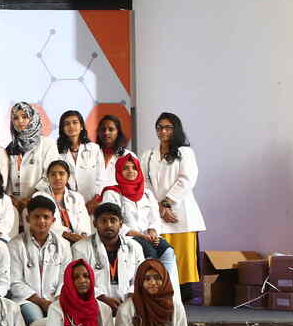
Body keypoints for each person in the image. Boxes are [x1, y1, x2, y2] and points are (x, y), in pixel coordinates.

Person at [141, 112, 205, 301]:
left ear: (175, 129)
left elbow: (186, 179)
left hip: (181, 215)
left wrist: (166, 203)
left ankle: (183, 298)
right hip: (156, 215)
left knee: (183, 260)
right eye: (160, 127)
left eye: (168, 127)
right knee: (160, 258)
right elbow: (144, 183)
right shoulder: (148, 155)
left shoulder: (185, 153)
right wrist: (159, 208)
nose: (163, 131)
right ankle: (161, 295)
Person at [96, 153, 180, 281]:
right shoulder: (112, 193)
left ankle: (166, 287)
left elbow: (155, 217)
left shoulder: (147, 193)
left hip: (149, 236)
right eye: (126, 168)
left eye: (134, 167)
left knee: (168, 251)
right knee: (149, 253)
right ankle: (151, 289)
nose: (131, 171)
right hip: (126, 237)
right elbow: (111, 222)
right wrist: (141, 235)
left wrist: (153, 231)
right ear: (119, 171)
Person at [9, 195, 73, 325]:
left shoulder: (63, 245)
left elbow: (65, 279)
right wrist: (42, 302)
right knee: (36, 321)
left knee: (67, 319)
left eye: (46, 217)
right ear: (28, 219)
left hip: (56, 299)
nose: (41, 221)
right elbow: (15, 282)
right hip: (27, 300)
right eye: (36, 216)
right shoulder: (15, 245)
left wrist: (56, 301)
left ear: (53, 220)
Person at [73, 204, 143, 309]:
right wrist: (101, 298)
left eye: (113, 220)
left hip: (129, 304)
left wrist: (131, 296)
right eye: (103, 221)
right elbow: (78, 281)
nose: (108, 225)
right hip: (94, 304)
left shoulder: (134, 247)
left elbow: (140, 277)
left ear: (121, 223)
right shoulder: (80, 248)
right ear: (95, 223)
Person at [36, 109, 101, 198]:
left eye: (75, 122)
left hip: (92, 199)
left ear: (81, 126)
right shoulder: (55, 150)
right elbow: (49, 175)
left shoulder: (94, 148)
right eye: (67, 124)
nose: (71, 126)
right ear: (62, 129)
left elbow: (100, 177)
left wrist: (96, 198)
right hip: (67, 200)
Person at [4, 102, 48, 210]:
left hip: (39, 203)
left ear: (33, 118)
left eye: (24, 117)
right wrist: (11, 199)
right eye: (15, 118)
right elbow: (6, 178)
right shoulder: (11, 147)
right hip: (14, 205)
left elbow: (49, 176)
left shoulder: (47, 144)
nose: (20, 121)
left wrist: (31, 198)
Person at [36, 159, 91, 243]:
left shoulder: (77, 197)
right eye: (53, 174)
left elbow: (84, 220)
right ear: (47, 177)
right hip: (52, 241)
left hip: (78, 241)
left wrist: (83, 235)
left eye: (61, 173)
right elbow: (43, 223)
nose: (57, 177)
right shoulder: (39, 197)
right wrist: (67, 235)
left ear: (68, 176)